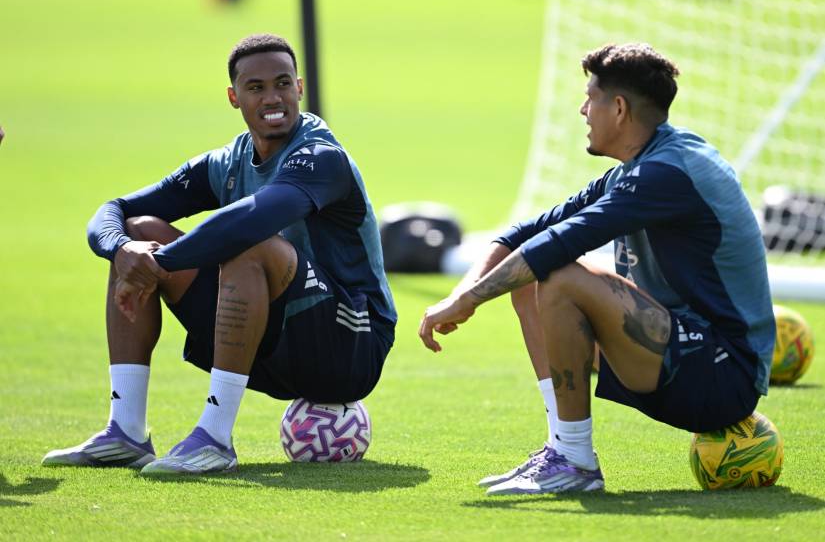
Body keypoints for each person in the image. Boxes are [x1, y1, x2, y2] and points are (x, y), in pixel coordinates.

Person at [419, 43, 774, 495]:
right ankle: (562, 448)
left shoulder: (669, 172)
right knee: (530, 279)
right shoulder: (640, 166)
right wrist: (460, 297)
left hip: (723, 375)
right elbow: (526, 233)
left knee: (559, 275)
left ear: (620, 108)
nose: (583, 109)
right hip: (678, 354)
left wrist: (470, 300)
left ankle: (574, 462)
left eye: (591, 97)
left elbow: (561, 244)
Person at [43, 34, 396, 475]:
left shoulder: (321, 156)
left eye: (283, 84)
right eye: (256, 88)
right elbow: (116, 211)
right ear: (234, 97)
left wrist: (159, 264)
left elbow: (254, 219)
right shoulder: (228, 161)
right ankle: (126, 431)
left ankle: (214, 439)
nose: (273, 97)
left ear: (300, 88)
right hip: (277, 342)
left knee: (249, 242)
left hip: (351, 345)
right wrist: (124, 250)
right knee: (141, 233)